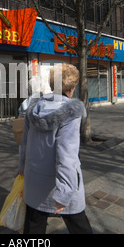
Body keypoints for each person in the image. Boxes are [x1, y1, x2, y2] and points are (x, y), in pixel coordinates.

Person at [19, 63, 92, 234]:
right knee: (79, 226)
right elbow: (67, 155)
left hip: (34, 180)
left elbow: (24, 144)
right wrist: (65, 192)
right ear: (72, 88)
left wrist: (22, 169)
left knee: (34, 227)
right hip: (57, 184)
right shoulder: (71, 112)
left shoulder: (34, 107)